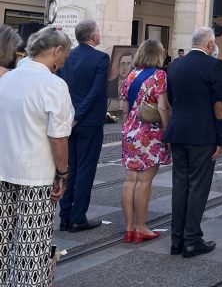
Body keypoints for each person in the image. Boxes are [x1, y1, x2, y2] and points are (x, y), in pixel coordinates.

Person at [0, 27, 74, 286]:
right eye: (65, 55)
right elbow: (58, 137)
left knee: (3, 239)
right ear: (57, 51)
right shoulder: (54, 85)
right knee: (31, 247)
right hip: (37, 175)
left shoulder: (6, 79)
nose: (64, 62)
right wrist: (62, 173)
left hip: (3, 170)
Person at [164, 27, 222, 258]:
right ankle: (192, 238)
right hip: (202, 135)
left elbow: (171, 99)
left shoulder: (175, 65)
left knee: (180, 185)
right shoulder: (214, 66)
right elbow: (219, 104)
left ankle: (176, 239)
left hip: (178, 132)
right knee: (198, 186)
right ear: (210, 45)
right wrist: (221, 138)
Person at [57, 19, 110, 232]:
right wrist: (78, 115)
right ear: (92, 36)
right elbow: (96, 91)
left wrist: (69, 115)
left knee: (68, 169)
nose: (100, 33)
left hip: (67, 121)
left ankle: (65, 217)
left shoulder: (67, 57)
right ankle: (78, 217)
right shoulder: (101, 58)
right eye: (99, 31)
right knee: (86, 170)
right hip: (88, 122)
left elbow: (61, 87)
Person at [119, 39, 172, 244]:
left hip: (130, 132)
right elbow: (162, 108)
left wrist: (128, 128)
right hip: (150, 134)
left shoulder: (130, 76)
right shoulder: (159, 76)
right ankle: (141, 227)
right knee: (144, 181)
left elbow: (124, 108)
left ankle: (129, 227)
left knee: (130, 179)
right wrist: (167, 132)